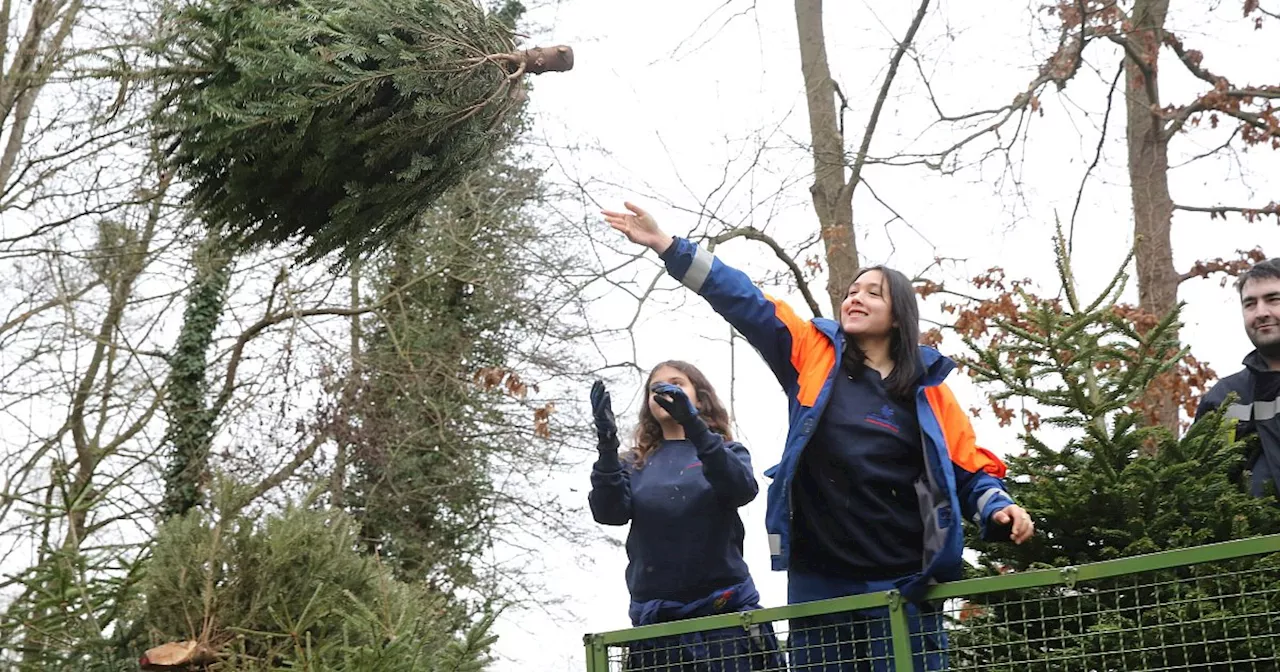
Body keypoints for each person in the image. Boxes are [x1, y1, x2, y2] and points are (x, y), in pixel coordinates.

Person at [604, 202, 1035, 672]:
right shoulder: (813, 355)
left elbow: (968, 469)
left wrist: (997, 505)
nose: (856, 297)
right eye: (852, 290)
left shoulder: (929, 391)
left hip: (904, 583)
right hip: (820, 582)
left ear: (898, 316)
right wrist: (668, 246)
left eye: (874, 292)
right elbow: (745, 301)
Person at [589, 361, 784, 671]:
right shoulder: (634, 464)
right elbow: (608, 512)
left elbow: (741, 489)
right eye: (656, 388)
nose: (665, 390)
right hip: (657, 627)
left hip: (725, 619)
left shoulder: (726, 451)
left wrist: (694, 427)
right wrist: (607, 446)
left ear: (699, 398)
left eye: (677, 383)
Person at [1195, 257, 1280, 498]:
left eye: (1273, 299)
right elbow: (1199, 485)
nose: (1261, 312)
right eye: (1250, 304)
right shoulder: (1224, 399)